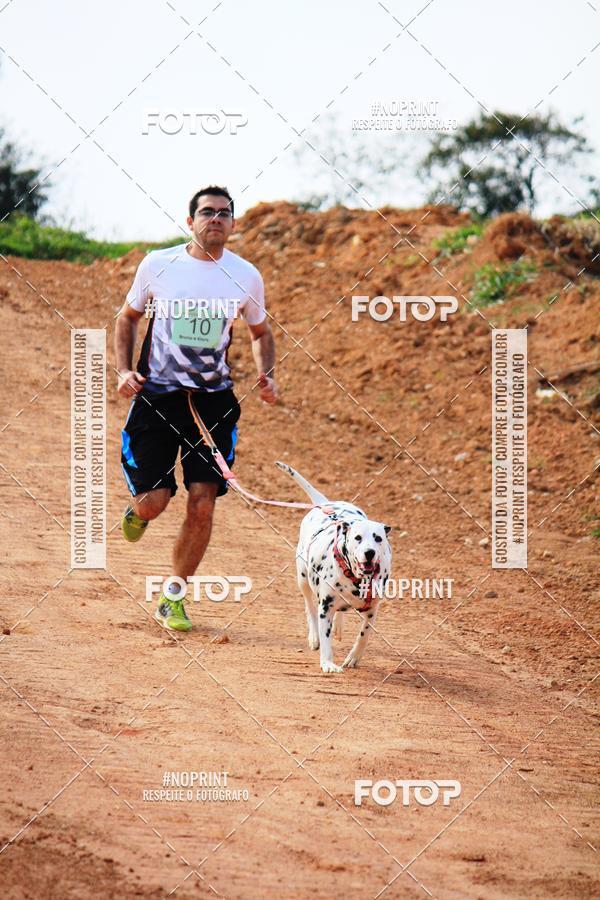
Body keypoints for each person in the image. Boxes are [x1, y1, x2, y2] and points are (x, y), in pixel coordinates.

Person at [114, 185, 276, 633]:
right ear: (190, 221)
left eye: (225, 213)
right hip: (157, 398)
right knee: (154, 503)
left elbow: (261, 332)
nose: (216, 219)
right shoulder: (159, 264)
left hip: (212, 404)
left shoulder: (245, 275)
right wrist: (123, 371)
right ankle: (139, 511)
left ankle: (174, 598)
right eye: (207, 212)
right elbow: (127, 319)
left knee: (203, 503)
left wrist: (267, 372)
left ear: (234, 225)